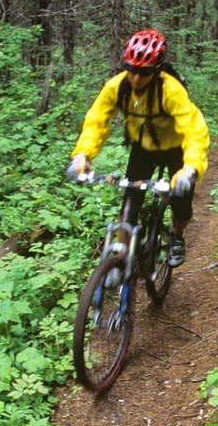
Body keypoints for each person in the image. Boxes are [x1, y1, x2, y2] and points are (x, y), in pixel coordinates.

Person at [65, 29, 210, 268]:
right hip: (142, 148)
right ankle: (121, 261)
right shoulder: (117, 86)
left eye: (143, 72)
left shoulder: (170, 90)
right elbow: (97, 120)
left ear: (156, 70)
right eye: (131, 69)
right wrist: (82, 155)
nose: (136, 78)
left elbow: (194, 130)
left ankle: (177, 236)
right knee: (129, 205)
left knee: (181, 201)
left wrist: (190, 168)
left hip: (176, 149)